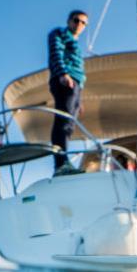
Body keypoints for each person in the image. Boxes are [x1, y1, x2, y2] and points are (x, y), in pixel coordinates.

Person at [47, 9, 88, 174]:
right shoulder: (59, 33)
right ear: (69, 21)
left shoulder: (76, 43)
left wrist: (79, 99)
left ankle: (63, 162)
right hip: (65, 80)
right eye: (76, 20)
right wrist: (63, 73)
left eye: (84, 22)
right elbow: (56, 53)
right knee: (63, 122)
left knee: (69, 123)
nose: (79, 24)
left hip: (76, 84)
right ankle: (61, 163)